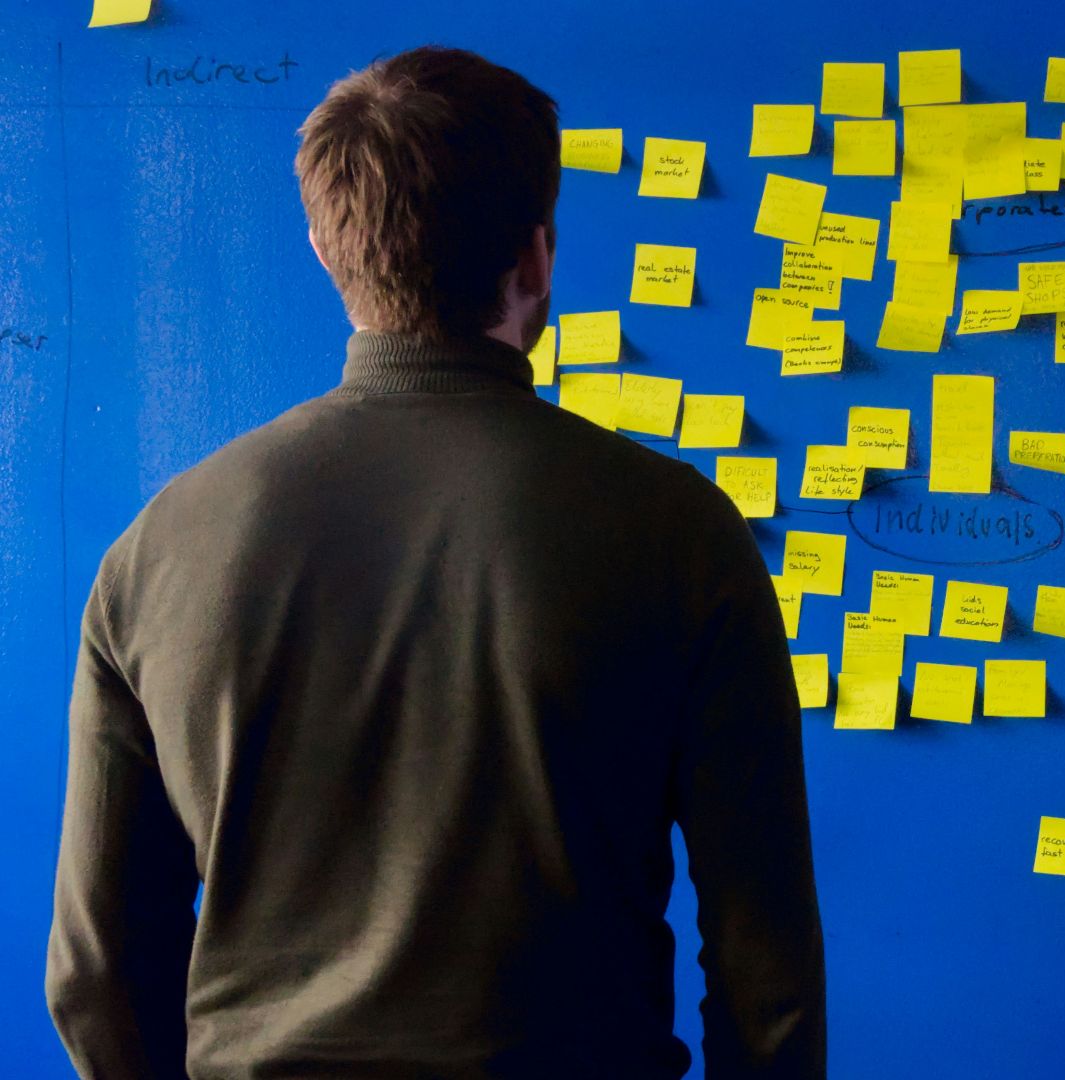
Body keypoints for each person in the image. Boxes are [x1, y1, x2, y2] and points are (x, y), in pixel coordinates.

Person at [46, 46, 825, 1078]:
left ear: (326, 252)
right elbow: (767, 971)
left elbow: (96, 973)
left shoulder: (158, 550)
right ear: (537, 258)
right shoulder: (681, 534)